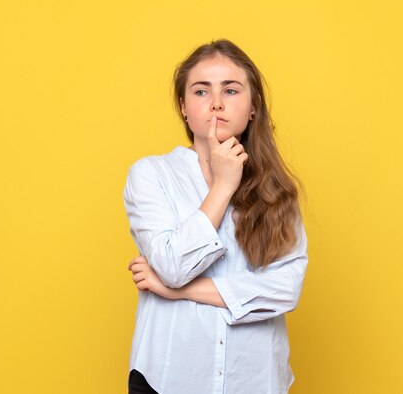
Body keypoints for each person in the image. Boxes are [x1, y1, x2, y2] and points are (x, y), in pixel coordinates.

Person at [122, 39, 309, 394]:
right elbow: (172, 265)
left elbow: (285, 289)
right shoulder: (151, 174)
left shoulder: (277, 190)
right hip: (168, 380)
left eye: (231, 90)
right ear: (183, 107)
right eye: (201, 91)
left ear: (253, 106)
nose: (217, 103)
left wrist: (179, 291)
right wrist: (223, 187)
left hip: (254, 381)